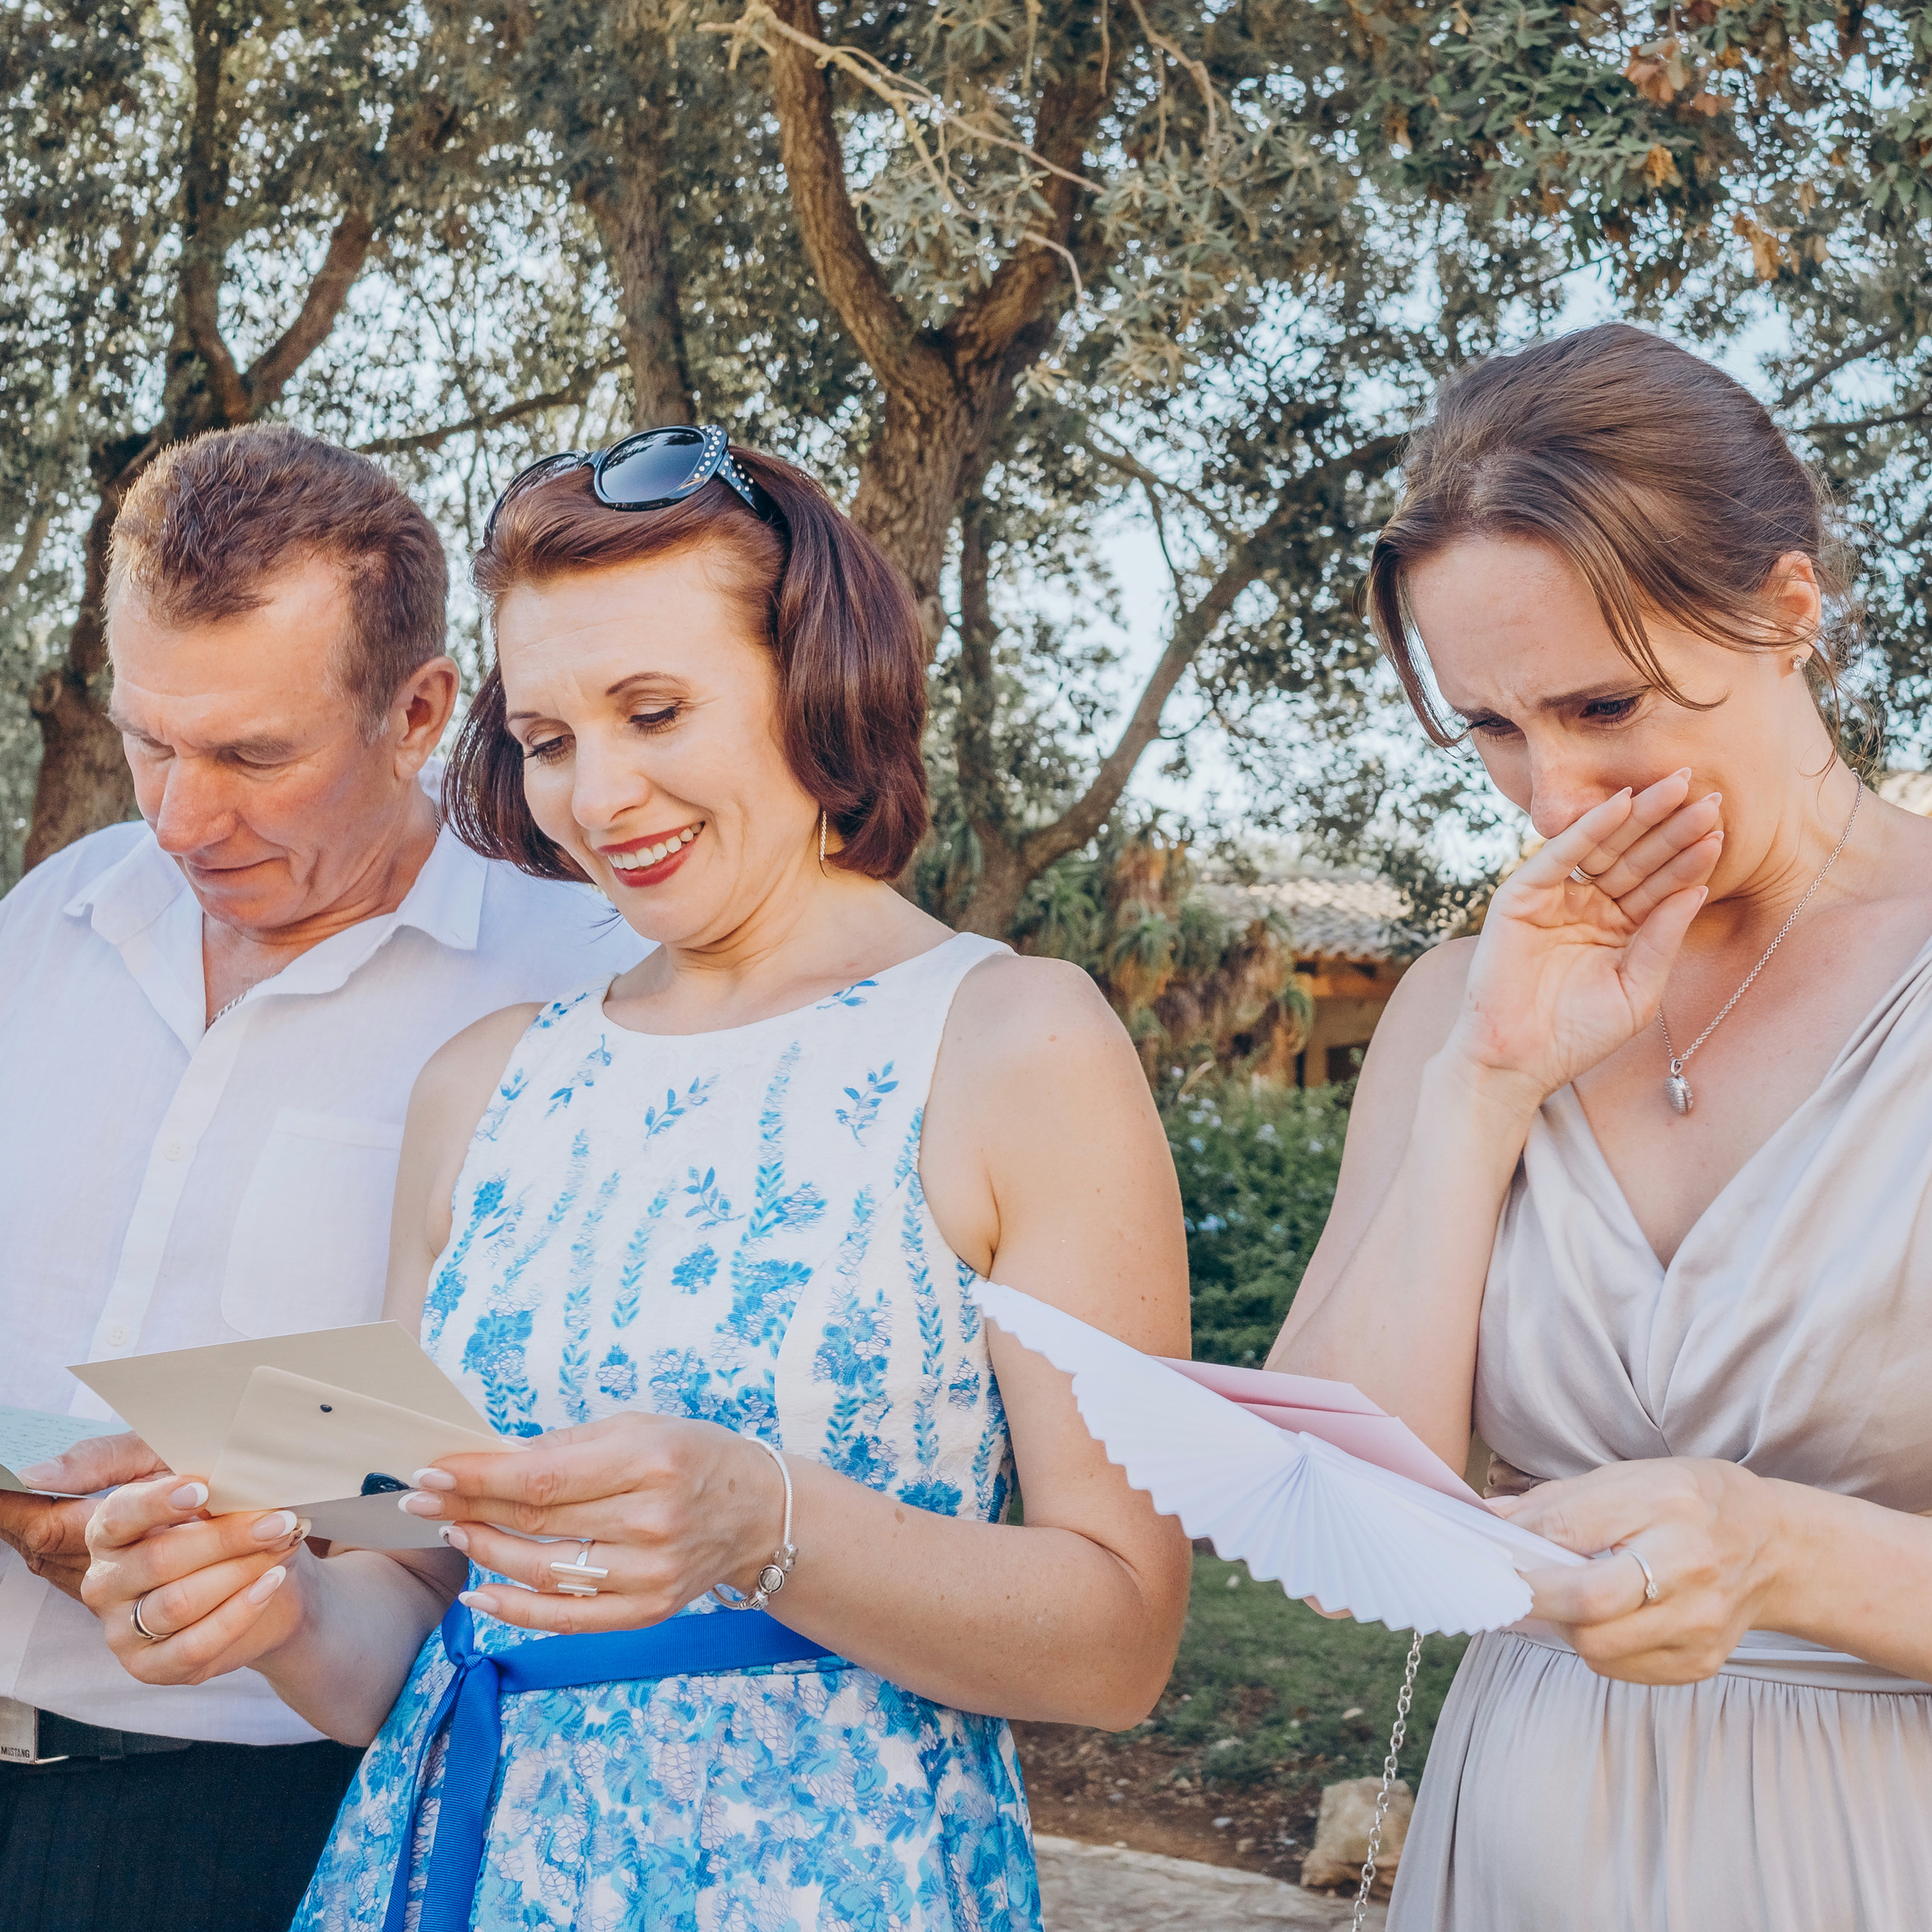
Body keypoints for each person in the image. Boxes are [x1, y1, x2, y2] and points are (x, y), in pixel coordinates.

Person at [78, 426, 1194, 1929]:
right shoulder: (483, 1079)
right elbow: (411, 1608)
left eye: (653, 709)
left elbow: (1120, 1637)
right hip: (448, 1870)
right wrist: (264, 1599)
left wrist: (761, 1513)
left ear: (817, 685)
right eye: (545, 738)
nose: (598, 794)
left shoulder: (1014, 1039)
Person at [1269, 323, 1932, 1928]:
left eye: (1600, 702)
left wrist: (1781, 1555)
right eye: (1489, 726)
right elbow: (1326, 1501)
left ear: (1786, 611)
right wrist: (1485, 1081)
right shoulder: (1458, 1002)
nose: (1551, 793)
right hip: (1514, 1846)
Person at [0, 426, 642, 1932]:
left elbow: (535, 1439)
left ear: (419, 708)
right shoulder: (47, 917)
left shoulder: (576, 997)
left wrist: (251, 1504)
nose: (176, 815)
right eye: (153, 737)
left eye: (252, 755)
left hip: (257, 1820)